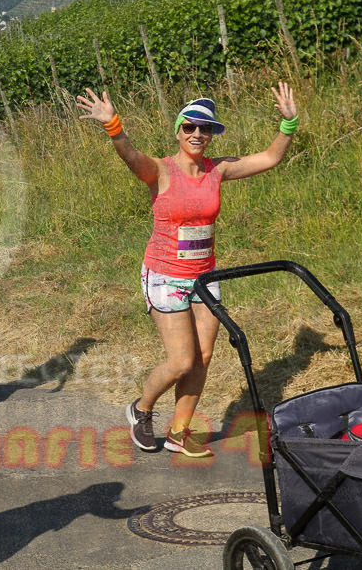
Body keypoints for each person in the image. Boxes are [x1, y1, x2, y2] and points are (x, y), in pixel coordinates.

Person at [77, 84, 299, 458]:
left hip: (205, 277)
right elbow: (131, 156)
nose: (197, 134)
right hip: (165, 275)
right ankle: (141, 410)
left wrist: (288, 123)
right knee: (181, 360)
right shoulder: (161, 170)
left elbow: (269, 158)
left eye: (205, 128)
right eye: (190, 127)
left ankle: (179, 432)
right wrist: (113, 124)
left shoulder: (218, 169)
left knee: (205, 356)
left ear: (212, 135)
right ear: (178, 132)